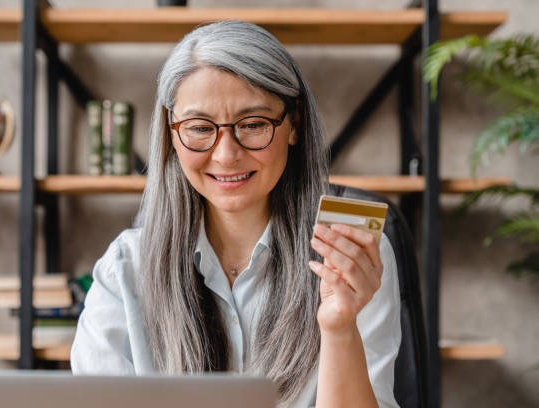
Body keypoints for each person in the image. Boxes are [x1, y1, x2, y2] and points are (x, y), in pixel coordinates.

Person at [71, 20, 401, 408]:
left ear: (293, 123)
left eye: (254, 124)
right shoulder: (124, 270)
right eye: (198, 128)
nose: (226, 155)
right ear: (171, 134)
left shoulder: (351, 252)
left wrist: (339, 328)